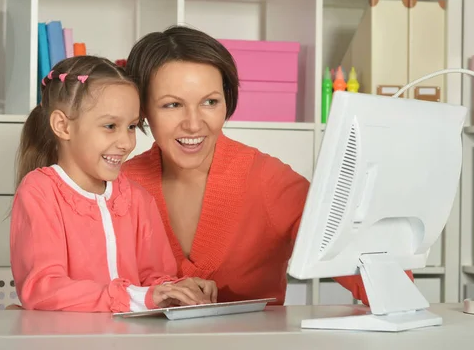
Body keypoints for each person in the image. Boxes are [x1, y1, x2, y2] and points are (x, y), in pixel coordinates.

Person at [122, 26, 413, 306]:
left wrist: (378, 212)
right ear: (143, 109)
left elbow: (385, 283)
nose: (194, 123)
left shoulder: (268, 181)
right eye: (172, 105)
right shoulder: (120, 184)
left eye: (210, 102)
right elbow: (88, 290)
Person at [10, 55, 218, 313]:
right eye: (110, 126)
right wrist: (134, 297)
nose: (126, 143)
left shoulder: (138, 199)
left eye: (131, 127)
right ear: (62, 126)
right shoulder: (40, 191)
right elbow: (43, 288)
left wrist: (177, 290)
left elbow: (153, 278)